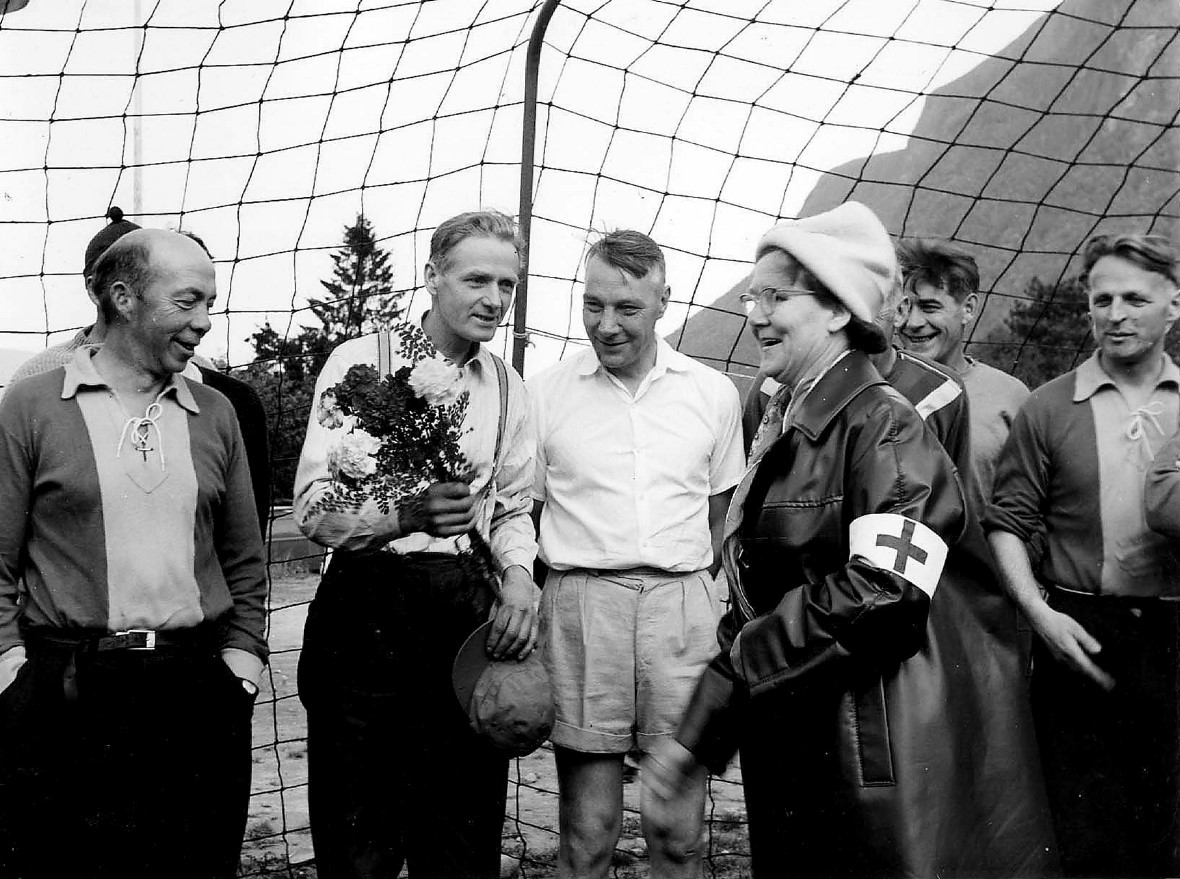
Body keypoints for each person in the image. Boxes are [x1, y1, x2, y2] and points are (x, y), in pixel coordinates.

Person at [643, 202, 1056, 878]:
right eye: (751, 296)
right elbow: (763, 593)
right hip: (802, 743)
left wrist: (728, 685)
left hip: (862, 761)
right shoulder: (790, 418)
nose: (755, 314)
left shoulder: (883, 426)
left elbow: (885, 593)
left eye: (776, 297)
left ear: (839, 309)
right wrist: (707, 728)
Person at [0, 229, 268, 879]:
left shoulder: (217, 412)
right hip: (67, 690)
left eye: (210, 303)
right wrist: (14, 675)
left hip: (196, 690)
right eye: (187, 301)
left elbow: (245, 559)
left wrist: (240, 667)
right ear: (123, 298)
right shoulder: (31, 405)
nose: (204, 321)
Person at [293, 209, 539, 879]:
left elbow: (513, 507)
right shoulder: (360, 363)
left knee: (461, 837)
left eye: (507, 285)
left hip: (463, 613)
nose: (494, 300)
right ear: (432, 277)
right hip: (369, 608)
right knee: (359, 843)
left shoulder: (509, 387)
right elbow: (313, 510)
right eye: (476, 280)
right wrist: (403, 515)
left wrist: (519, 576)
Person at [529, 230, 744, 878]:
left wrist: (694, 602)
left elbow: (720, 519)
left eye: (627, 308)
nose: (607, 324)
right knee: (587, 833)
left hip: (682, 611)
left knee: (677, 834)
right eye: (593, 305)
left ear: (664, 302)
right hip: (583, 607)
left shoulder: (713, 393)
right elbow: (524, 514)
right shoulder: (545, 393)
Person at [985, 232, 1180, 877]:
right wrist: (1041, 616)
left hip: (1174, 636)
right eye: (1102, 300)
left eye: (1135, 299)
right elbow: (1007, 522)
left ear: (1173, 306)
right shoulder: (1047, 407)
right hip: (1079, 633)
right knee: (1086, 836)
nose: (1116, 314)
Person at [8, 207, 272, 534]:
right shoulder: (34, 385)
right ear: (105, 291)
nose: (203, 322)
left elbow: (244, 535)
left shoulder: (214, 393)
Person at [743, 266, 970, 472]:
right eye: (845, 306)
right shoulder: (773, 386)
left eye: (869, 307)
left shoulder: (943, 393)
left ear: (900, 312)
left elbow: (952, 495)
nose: (854, 321)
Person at [896, 238, 1030, 506]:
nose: (913, 322)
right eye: (905, 307)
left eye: (930, 307)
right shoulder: (876, 387)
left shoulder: (1010, 396)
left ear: (968, 309)